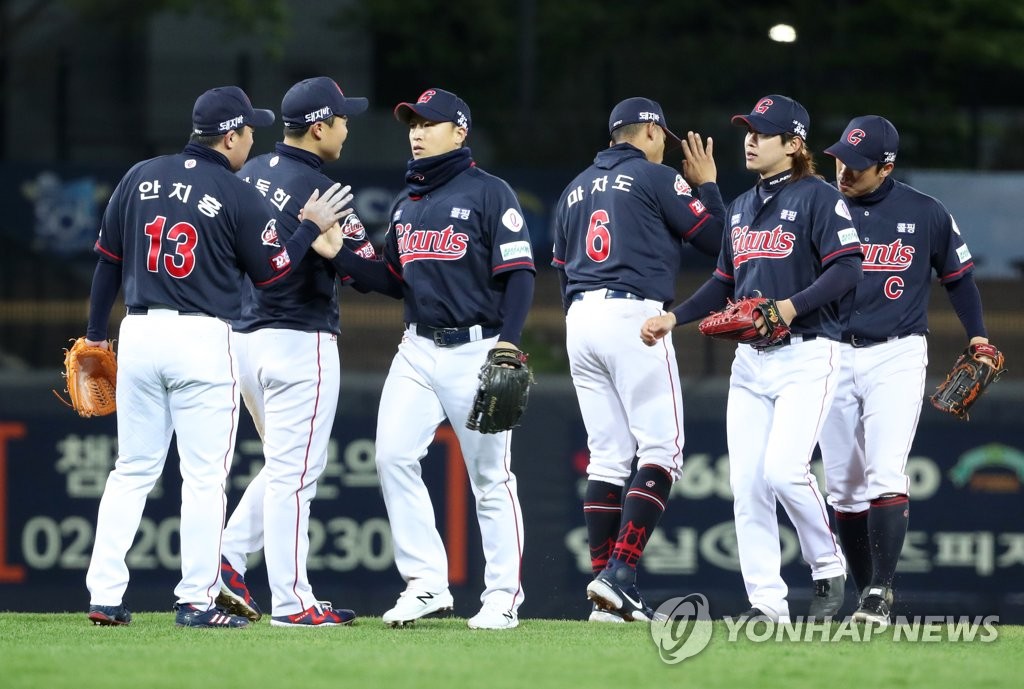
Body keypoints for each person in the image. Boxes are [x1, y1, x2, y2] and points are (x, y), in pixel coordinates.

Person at [83, 86, 352, 628]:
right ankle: (196, 599)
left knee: (131, 470)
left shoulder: (139, 176)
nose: (253, 138)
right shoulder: (231, 192)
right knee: (204, 478)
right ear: (228, 136)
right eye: (249, 130)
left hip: (137, 331)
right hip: (203, 340)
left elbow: (107, 262)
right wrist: (305, 229)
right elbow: (272, 272)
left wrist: (94, 334)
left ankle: (104, 596)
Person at [316, 87, 534, 630]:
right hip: (416, 349)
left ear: (459, 132)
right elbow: (391, 280)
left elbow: (521, 274)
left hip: (479, 347)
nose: (416, 131)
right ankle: (426, 584)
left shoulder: (490, 193)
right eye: (412, 123)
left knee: (489, 477)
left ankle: (503, 595)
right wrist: (338, 254)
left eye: (429, 123)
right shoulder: (407, 202)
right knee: (391, 456)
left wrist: (508, 339)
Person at [641, 94, 863, 622]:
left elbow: (847, 268)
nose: (750, 139)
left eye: (763, 133)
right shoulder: (740, 207)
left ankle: (827, 563)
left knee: (785, 472)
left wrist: (791, 306)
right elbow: (723, 282)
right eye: (748, 130)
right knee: (747, 485)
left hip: (809, 354)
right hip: (752, 363)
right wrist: (676, 317)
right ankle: (767, 604)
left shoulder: (818, 197)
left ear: (793, 144)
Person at [551, 97, 724, 622]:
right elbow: (721, 244)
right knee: (663, 450)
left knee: (607, 457)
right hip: (634, 318)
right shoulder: (656, 177)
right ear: (648, 131)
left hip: (579, 319)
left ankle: (607, 593)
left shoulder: (573, 188)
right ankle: (619, 574)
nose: (664, 147)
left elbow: (559, 269)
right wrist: (708, 186)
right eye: (662, 137)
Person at [212, 77, 376, 628]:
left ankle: (227, 559)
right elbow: (372, 273)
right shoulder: (322, 191)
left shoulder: (248, 173)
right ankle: (292, 601)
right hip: (298, 340)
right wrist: (342, 254)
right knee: (295, 475)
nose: (348, 127)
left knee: (288, 465)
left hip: (242, 341)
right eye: (343, 119)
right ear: (319, 127)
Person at [817, 115, 993, 627]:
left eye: (856, 164)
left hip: (895, 353)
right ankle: (868, 593)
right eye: (839, 159)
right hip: (828, 353)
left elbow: (959, 278)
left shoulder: (926, 213)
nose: (844, 171)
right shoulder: (817, 207)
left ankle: (879, 590)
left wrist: (977, 334)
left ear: (886, 165)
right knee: (844, 487)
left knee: (885, 470)